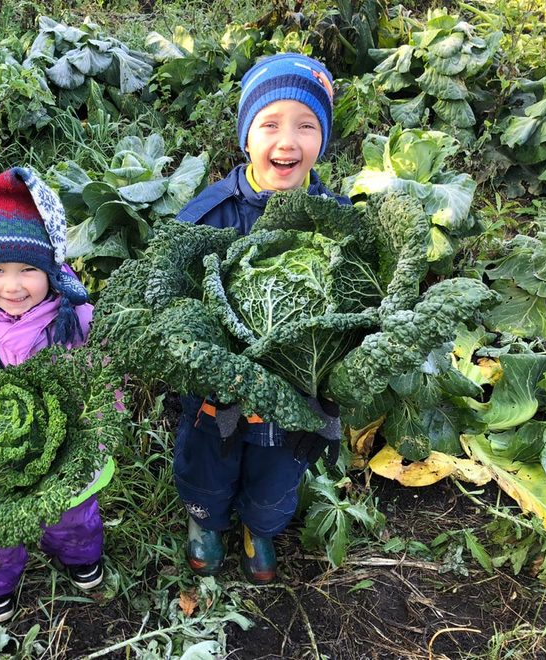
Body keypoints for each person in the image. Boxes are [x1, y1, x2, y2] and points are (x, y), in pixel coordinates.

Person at [174, 53, 348, 584]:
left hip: (299, 392)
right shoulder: (209, 214)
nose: (287, 142)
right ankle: (205, 523)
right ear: (246, 136)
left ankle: (260, 528)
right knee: (207, 462)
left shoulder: (339, 217)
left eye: (306, 125)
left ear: (324, 139)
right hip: (217, 385)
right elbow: (170, 293)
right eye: (269, 124)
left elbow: (364, 304)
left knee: (278, 474)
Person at [0, 167, 106, 624]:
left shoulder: (77, 318)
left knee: (74, 511)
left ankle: (76, 553)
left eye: (28, 269)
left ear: (52, 269)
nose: (12, 286)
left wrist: (96, 431)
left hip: (68, 448)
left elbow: (102, 381)